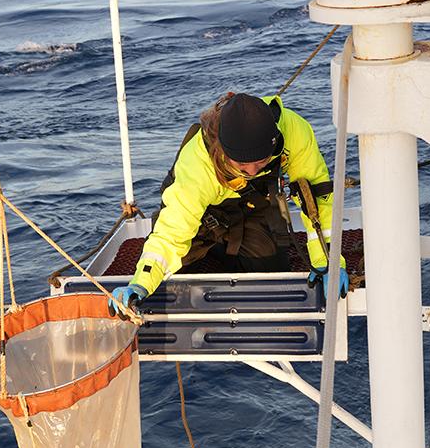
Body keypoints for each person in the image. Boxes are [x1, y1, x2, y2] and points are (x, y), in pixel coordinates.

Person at [110, 90, 347, 316]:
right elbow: (171, 234)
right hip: (202, 215)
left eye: (262, 162)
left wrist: (329, 261)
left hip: (250, 205)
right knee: (175, 278)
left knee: (272, 275)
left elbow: (317, 200)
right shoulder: (197, 166)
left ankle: (224, 246)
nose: (253, 171)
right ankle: (207, 246)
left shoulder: (295, 132)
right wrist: (141, 284)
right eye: (242, 167)